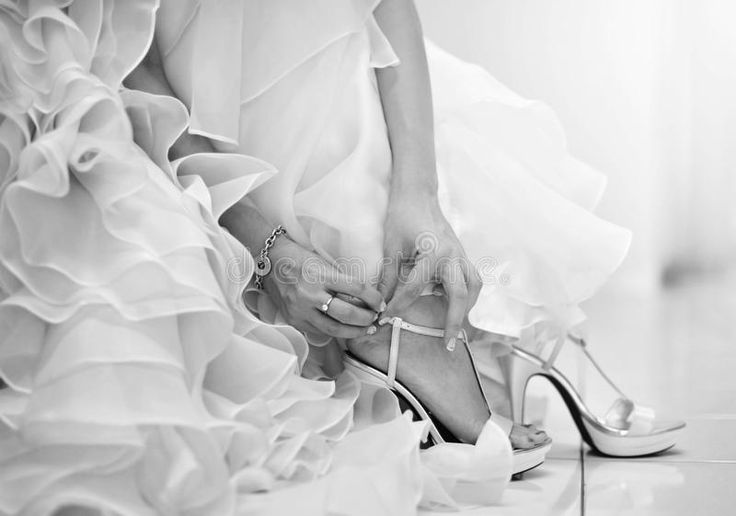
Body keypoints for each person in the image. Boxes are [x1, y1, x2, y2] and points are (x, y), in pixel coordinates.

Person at [0, 0, 683, 514]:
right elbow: (133, 84)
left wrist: (417, 192)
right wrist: (271, 249)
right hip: (179, 138)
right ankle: (398, 321)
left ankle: (395, 295)